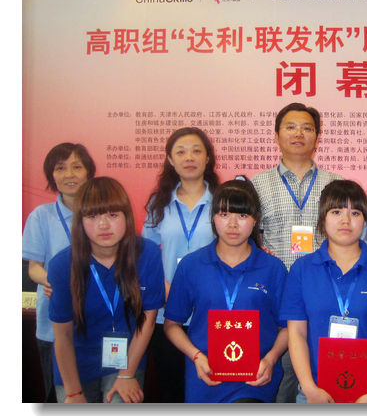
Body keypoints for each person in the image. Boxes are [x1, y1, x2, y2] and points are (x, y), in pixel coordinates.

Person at [280, 180, 367, 403]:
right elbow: (297, 334)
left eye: (355, 213)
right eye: (336, 211)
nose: (345, 220)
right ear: (323, 218)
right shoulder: (302, 270)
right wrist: (310, 389)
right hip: (316, 392)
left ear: (365, 221)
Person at [163, 178, 288, 403]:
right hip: (205, 374)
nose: (232, 224)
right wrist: (196, 356)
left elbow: (287, 328)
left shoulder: (273, 268)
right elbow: (172, 325)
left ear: (255, 219)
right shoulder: (192, 265)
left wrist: (271, 359)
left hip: (255, 378)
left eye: (242, 215)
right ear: (213, 218)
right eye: (224, 214)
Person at [251, 102, 343, 402]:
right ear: (277, 135)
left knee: (321, 369)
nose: (298, 133)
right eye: (290, 127)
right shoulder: (257, 185)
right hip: (274, 293)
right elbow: (251, 239)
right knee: (277, 379)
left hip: (325, 293)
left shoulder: (335, 185)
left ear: (317, 137)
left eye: (307, 128)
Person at [48, 177, 165, 403]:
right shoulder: (61, 265)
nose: (103, 225)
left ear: (126, 216)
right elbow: (62, 336)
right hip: (77, 362)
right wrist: (73, 393)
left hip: (126, 359)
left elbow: (147, 321)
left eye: (112, 215)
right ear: (80, 221)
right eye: (92, 216)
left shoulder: (147, 254)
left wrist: (127, 374)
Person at [142, 127, 220, 402]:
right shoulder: (159, 202)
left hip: (212, 309)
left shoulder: (222, 200)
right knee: (172, 389)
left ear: (208, 158)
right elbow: (147, 254)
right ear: (170, 159)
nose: (189, 157)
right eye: (181, 152)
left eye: (197, 151)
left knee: (211, 386)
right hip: (167, 309)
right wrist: (165, 287)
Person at [22, 142, 97, 402]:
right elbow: (34, 268)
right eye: (60, 168)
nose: (69, 174)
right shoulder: (40, 216)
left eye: (77, 167)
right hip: (53, 324)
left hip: (97, 321)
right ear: (51, 175)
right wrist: (57, 282)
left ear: (88, 172)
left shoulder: (103, 214)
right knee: (59, 397)